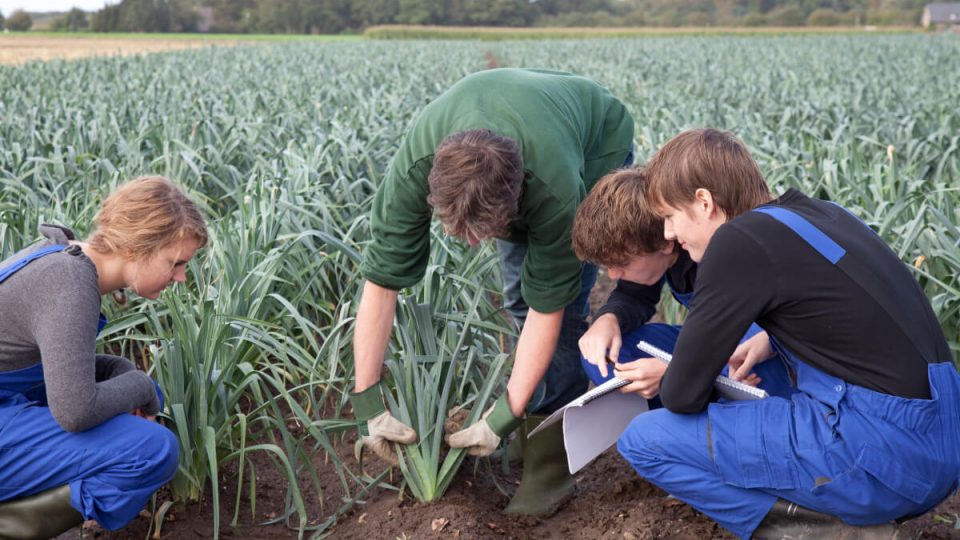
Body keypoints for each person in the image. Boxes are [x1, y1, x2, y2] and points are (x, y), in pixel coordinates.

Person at [613, 128, 960, 539]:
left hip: (885, 456)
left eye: (670, 216)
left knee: (644, 440)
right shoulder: (820, 213)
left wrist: (669, 375)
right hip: (942, 437)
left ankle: (830, 533)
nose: (669, 234)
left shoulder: (736, 242)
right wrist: (769, 340)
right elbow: (856, 310)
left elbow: (682, 396)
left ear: (704, 202)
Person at [347, 68, 634, 515]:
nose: (477, 245)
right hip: (523, 136)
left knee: (561, 308)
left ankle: (551, 462)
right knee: (517, 295)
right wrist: (367, 401)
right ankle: (525, 425)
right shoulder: (413, 169)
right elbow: (381, 284)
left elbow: (548, 310)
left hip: (594, 141)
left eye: (489, 231)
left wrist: (500, 415)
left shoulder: (556, 192)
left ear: (516, 198)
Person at [0, 176, 207, 538]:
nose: (182, 277)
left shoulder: (62, 256)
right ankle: (14, 525)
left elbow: (46, 364)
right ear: (138, 247)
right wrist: (142, 386)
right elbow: (76, 410)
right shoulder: (70, 283)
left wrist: (118, 370)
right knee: (153, 450)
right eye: (175, 263)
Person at [571, 167, 793, 399]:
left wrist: (676, 374)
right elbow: (635, 294)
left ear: (665, 243)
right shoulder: (659, 248)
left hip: (758, 346)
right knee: (603, 355)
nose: (613, 275)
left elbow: (761, 335)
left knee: (751, 367)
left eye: (622, 263)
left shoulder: (717, 249)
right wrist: (609, 317)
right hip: (712, 344)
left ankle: (701, 410)